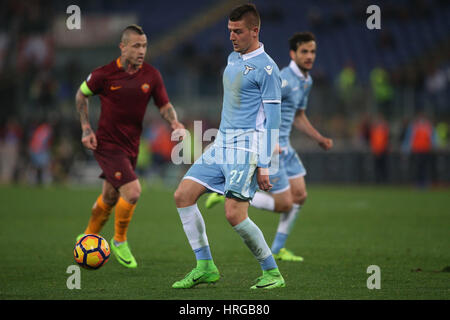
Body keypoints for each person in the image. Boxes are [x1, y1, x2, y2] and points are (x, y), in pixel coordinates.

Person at [172, 3, 285, 290]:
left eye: (238, 31)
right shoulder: (232, 58)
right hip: (221, 144)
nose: (232, 36)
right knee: (183, 195)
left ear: (255, 30)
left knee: (234, 214)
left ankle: (272, 273)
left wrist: (265, 164)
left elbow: (273, 121)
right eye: (229, 31)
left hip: (246, 150)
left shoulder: (268, 69)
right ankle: (205, 266)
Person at [206, 32, 333, 262]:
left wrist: (318, 137)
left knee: (300, 196)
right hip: (272, 146)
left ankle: (279, 247)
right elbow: (263, 109)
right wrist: (268, 142)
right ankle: (229, 191)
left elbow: (298, 116)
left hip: (285, 147)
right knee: (285, 203)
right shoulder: (282, 79)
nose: (309, 56)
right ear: (293, 54)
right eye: (304, 51)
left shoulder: (307, 81)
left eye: (312, 51)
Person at [75, 24, 184, 268]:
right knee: (133, 192)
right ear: (122, 48)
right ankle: (119, 240)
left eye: (144, 46)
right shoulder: (104, 74)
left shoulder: (151, 75)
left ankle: (87, 236)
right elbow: (81, 95)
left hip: (131, 146)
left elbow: (164, 105)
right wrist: (85, 128)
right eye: (136, 46)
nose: (141, 50)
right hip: (108, 144)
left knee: (110, 196)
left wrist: (174, 121)